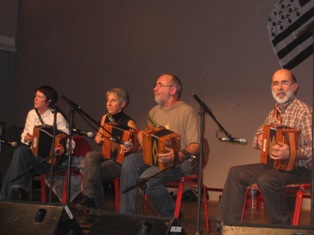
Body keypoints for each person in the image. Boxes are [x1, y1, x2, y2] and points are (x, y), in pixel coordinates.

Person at [216, 68, 312, 225]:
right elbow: (258, 134)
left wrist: (292, 153)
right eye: (275, 83)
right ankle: (228, 226)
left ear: (295, 87)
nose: (279, 87)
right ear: (272, 88)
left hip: (302, 169)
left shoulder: (305, 113)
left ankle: (280, 228)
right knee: (236, 173)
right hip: (275, 167)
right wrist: (260, 138)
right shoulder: (274, 112)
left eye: (284, 82)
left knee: (267, 179)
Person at [119, 73, 200, 218]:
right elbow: (149, 146)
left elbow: (195, 145)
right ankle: (126, 217)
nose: (155, 88)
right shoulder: (153, 112)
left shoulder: (186, 111)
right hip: (156, 160)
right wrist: (138, 142)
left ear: (173, 90)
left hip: (181, 162)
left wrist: (176, 155)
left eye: (160, 85)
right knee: (130, 161)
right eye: (155, 85)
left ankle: (171, 214)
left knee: (148, 180)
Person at [0, 85, 69, 200]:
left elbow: (68, 140)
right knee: (21, 151)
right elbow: (24, 134)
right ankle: (17, 190)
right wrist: (26, 138)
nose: (35, 99)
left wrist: (62, 149)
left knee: (17, 160)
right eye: (35, 96)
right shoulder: (32, 114)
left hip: (48, 160)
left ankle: (9, 196)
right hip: (33, 157)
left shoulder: (57, 117)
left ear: (48, 101)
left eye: (39, 97)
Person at [76, 88, 138, 210]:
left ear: (122, 104)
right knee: (91, 155)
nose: (109, 104)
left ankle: (94, 209)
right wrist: (99, 138)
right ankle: (89, 197)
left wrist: (129, 147)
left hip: (120, 162)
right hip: (106, 154)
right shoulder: (105, 117)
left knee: (94, 172)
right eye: (107, 100)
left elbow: (136, 148)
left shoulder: (129, 123)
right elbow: (98, 138)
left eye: (113, 100)